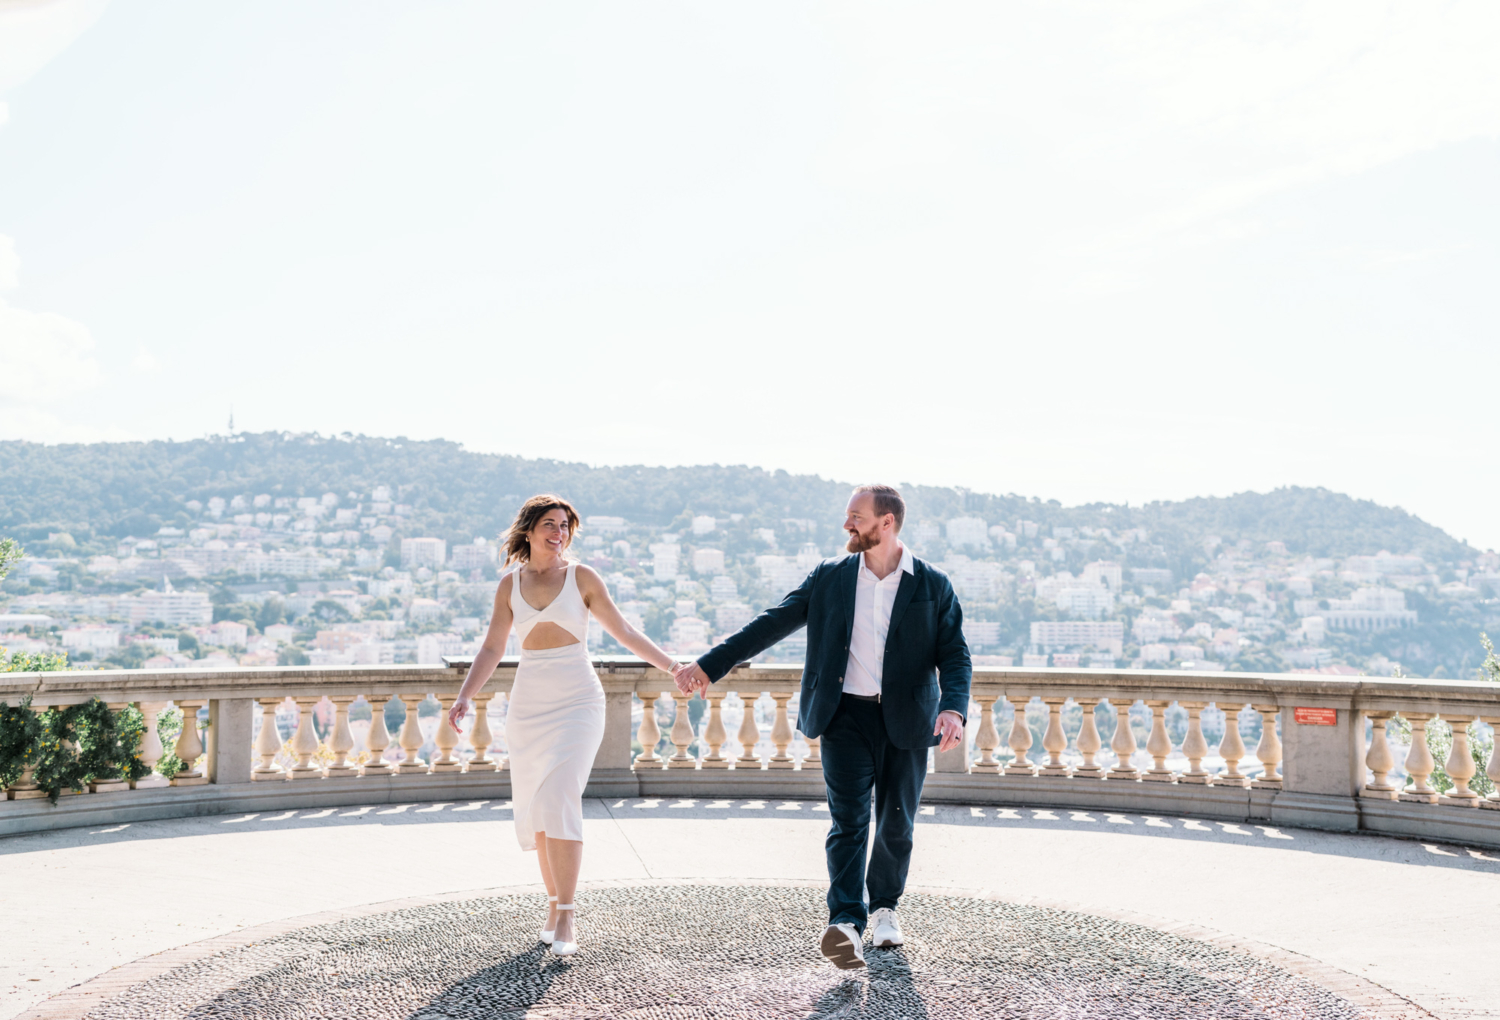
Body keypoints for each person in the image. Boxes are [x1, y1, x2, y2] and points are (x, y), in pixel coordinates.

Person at [675, 484, 971, 970]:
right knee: (849, 821)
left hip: (907, 719)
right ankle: (845, 922)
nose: (846, 525)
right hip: (844, 716)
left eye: (856, 516)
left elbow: (955, 654)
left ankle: (884, 909)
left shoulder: (932, 583)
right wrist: (710, 665)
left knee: (896, 822)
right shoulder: (831, 576)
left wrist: (953, 708)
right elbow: (771, 623)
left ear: (887, 523)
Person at [449, 494, 683, 957]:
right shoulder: (509, 585)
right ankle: (554, 907)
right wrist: (464, 697)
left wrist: (675, 667)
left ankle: (569, 914)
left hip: (578, 701)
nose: (558, 534)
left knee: (559, 798)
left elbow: (626, 632)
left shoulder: (582, 578)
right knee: (539, 810)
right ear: (529, 531)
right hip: (529, 706)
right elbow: (492, 649)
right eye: (550, 525)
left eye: (565, 526)